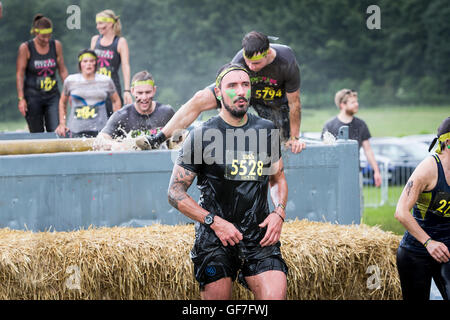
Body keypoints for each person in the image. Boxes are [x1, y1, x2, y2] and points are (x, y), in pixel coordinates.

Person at [167, 63, 289, 300]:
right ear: (219, 92)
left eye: (245, 85)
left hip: (258, 237)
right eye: (232, 85)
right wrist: (214, 222)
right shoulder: (201, 135)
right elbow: (175, 191)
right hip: (215, 239)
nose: (241, 91)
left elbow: (277, 179)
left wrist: (279, 213)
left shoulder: (266, 130)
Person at [141, 31, 305, 154]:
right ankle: (159, 139)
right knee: (200, 98)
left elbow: (294, 103)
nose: (251, 67)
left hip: (275, 104)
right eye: (248, 62)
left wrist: (295, 138)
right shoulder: (240, 60)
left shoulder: (286, 60)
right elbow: (224, 95)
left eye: (256, 63)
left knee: (279, 143)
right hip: (246, 92)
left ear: (268, 53)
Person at [395, 117, 450, 300]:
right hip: (416, 251)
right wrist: (429, 242)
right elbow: (401, 212)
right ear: (448, 142)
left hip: (447, 251)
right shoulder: (428, 169)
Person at [95, 70, 175, 150]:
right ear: (132, 91)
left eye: (148, 92)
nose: (144, 97)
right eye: (140, 93)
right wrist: (119, 146)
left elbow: (182, 136)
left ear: (154, 90)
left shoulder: (166, 112)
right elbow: (101, 139)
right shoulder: (122, 116)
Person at [16, 14, 68, 132]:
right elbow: (20, 74)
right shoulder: (26, 48)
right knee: (36, 132)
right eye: (43, 36)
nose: (46, 39)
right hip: (33, 96)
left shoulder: (56, 45)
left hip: (52, 95)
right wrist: (21, 99)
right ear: (35, 32)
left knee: (57, 130)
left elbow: (63, 70)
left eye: (49, 36)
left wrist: (71, 90)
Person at [55, 49, 121, 138]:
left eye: (91, 61)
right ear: (80, 64)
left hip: (101, 129)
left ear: (96, 63)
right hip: (76, 129)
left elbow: (116, 100)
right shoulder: (70, 81)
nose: (88, 64)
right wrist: (62, 123)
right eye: (85, 61)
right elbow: (63, 102)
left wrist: (114, 123)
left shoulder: (106, 80)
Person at [90, 9, 131, 118]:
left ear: (110, 23)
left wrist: (127, 90)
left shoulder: (120, 42)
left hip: (112, 88)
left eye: (100, 23)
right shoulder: (95, 40)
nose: (98, 27)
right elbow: (88, 65)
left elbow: (125, 66)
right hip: (96, 87)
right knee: (94, 120)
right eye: (97, 23)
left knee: (114, 120)